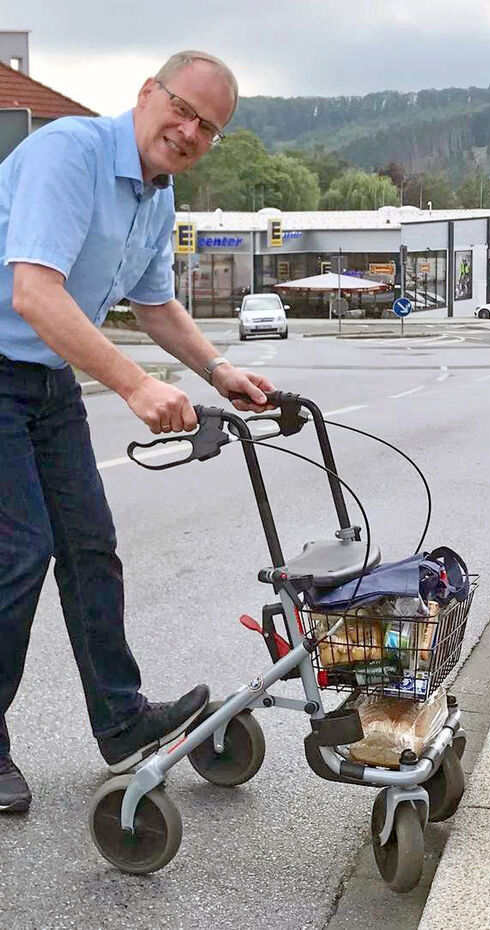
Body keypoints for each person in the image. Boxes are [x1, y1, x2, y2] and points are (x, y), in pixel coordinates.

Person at [0, 50, 275, 813]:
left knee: (91, 549)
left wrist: (219, 371)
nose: (188, 131)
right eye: (181, 109)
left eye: (207, 127)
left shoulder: (157, 196)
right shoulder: (70, 154)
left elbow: (154, 305)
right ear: (147, 93)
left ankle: (121, 720)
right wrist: (134, 383)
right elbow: (33, 292)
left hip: (45, 382)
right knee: (19, 554)